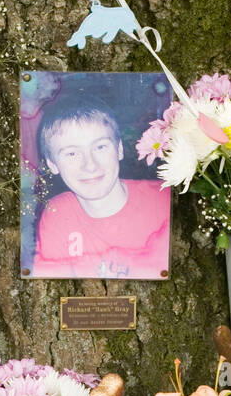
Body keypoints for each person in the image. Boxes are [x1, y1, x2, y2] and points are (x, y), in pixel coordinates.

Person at [30, 93, 170, 279]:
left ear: (119, 149)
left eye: (100, 147)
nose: (90, 165)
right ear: (52, 165)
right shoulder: (56, 214)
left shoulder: (163, 200)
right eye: (72, 154)